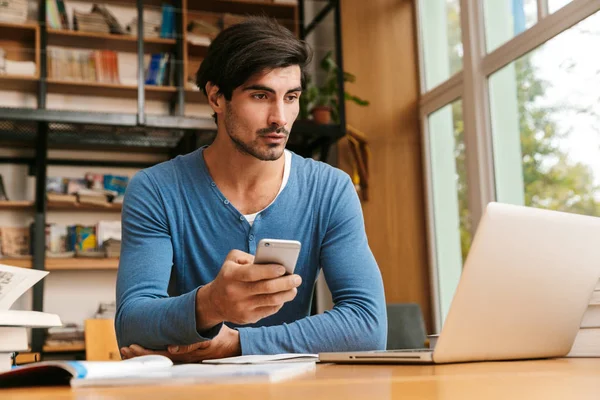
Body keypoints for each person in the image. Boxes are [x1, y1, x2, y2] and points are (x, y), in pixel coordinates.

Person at [116, 16, 387, 362]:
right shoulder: (156, 190)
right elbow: (132, 323)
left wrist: (237, 345)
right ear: (216, 97)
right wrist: (212, 303)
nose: (280, 117)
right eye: (261, 95)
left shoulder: (330, 189)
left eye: (291, 97)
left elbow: (368, 324)